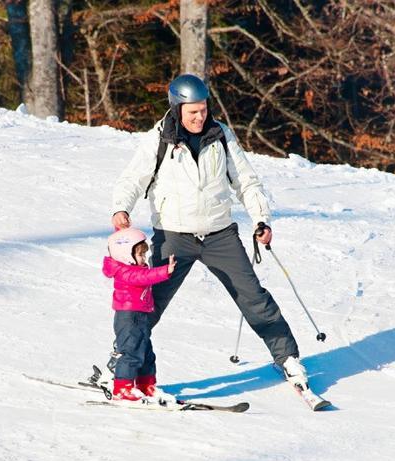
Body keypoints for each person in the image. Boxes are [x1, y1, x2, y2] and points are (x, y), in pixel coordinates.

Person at [109, 73, 308, 387]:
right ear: (177, 109)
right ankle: (122, 364)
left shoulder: (221, 136)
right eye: (193, 112)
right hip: (174, 236)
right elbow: (132, 179)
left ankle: (288, 359)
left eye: (203, 109)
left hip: (219, 235)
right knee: (147, 305)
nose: (200, 117)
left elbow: (246, 181)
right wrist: (122, 207)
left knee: (254, 298)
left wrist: (261, 219)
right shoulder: (159, 138)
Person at [102, 227, 178, 403]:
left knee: (146, 353)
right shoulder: (125, 271)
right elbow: (142, 277)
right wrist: (164, 271)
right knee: (131, 353)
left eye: (144, 255)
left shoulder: (134, 268)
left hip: (141, 316)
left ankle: (146, 385)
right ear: (125, 255)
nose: (144, 259)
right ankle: (122, 389)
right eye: (140, 255)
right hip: (128, 317)